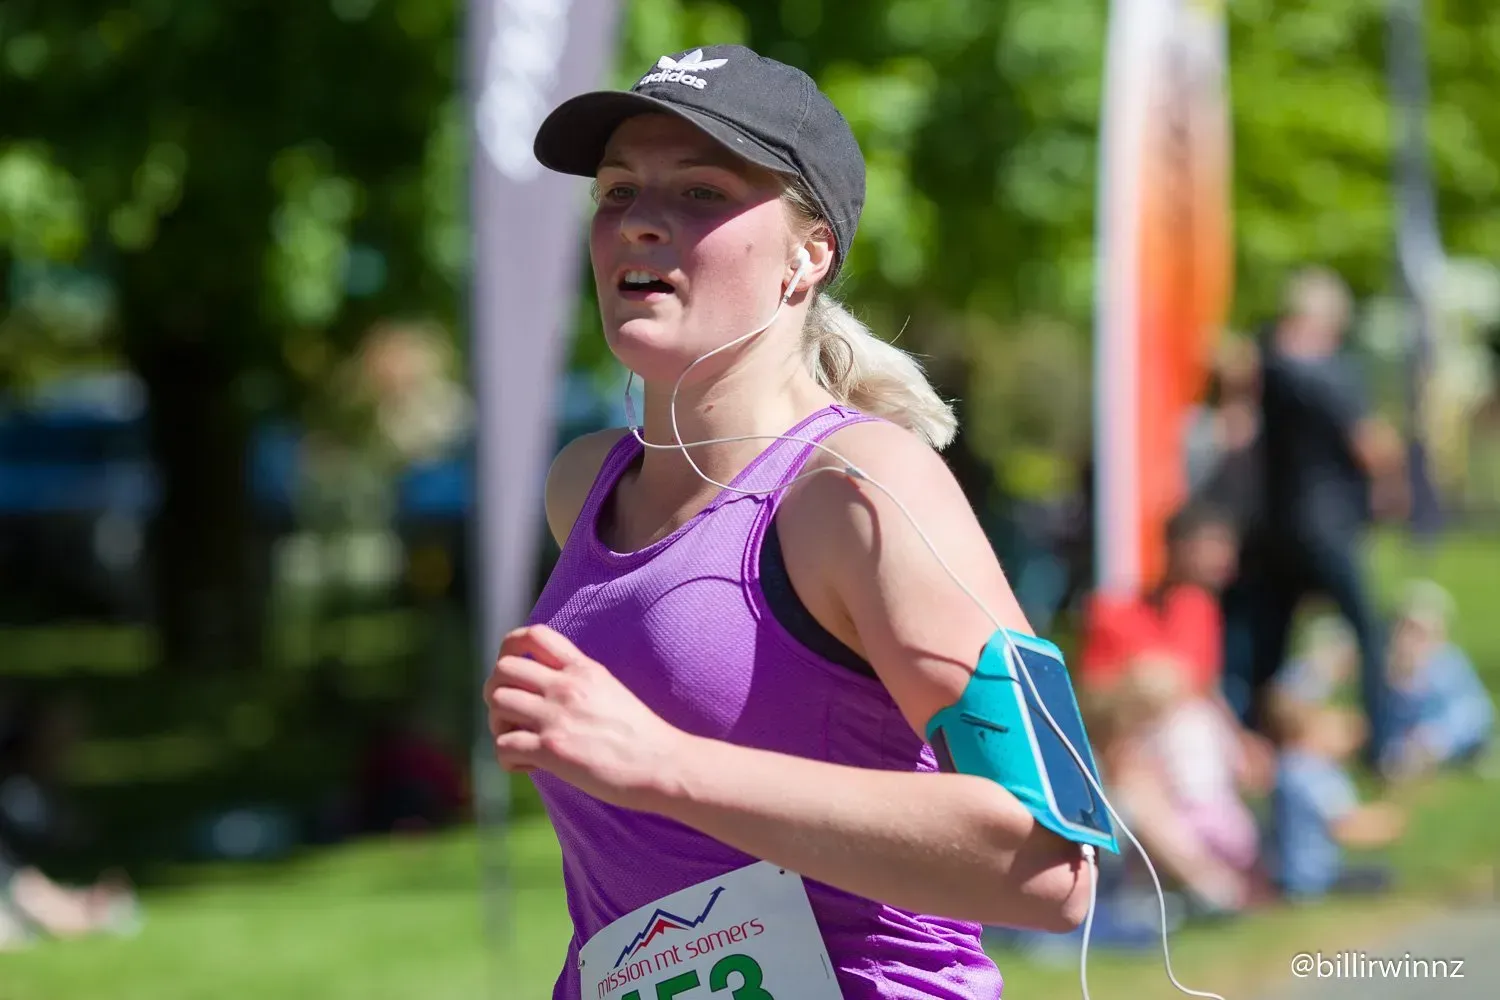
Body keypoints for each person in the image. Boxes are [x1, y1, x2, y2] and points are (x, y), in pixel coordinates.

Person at [482, 44, 1090, 1000]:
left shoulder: (867, 486)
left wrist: (661, 764)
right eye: (616, 192)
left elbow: (1052, 864)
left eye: (699, 193)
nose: (641, 223)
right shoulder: (585, 485)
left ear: (808, 257)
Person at [1237, 267, 1409, 762]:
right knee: (1367, 630)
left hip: (1276, 526)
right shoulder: (1329, 371)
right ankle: (1381, 745)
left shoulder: (1268, 366)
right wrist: (1391, 490)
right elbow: (1372, 444)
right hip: (1328, 525)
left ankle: (1260, 738)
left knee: (1271, 638)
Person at [1270, 699, 1405, 902]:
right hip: (1313, 877)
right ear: (1312, 733)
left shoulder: (1289, 766)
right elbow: (1343, 826)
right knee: (1383, 876)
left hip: (1288, 871)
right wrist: (1387, 825)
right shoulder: (1313, 773)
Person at [1380, 581, 1494, 782]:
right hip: (1402, 739)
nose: (1409, 641)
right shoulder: (1385, 668)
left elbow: (1473, 709)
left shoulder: (1448, 665)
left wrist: (1438, 738)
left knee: (1469, 724)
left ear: (1440, 637)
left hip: (1445, 735)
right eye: (1404, 630)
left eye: (1420, 634)